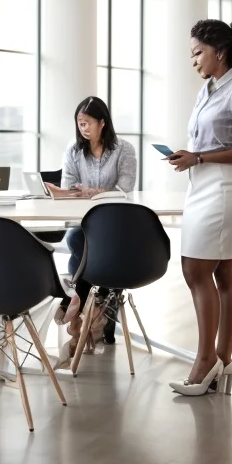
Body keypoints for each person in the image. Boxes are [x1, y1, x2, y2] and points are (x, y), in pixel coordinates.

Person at [167, 19, 232, 397]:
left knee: (195, 269)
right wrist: (191, 157)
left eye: (198, 53)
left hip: (224, 187)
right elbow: (204, 143)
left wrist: (200, 158)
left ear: (219, 52)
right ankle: (223, 361)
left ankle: (206, 360)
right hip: (203, 184)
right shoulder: (207, 89)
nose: (193, 60)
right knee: (223, 274)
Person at [50, 96, 138, 348]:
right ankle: (97, 304)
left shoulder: (124, 149)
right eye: (80, 123)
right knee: (78, 237)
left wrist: (95, 192)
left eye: (88, 123)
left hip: (116, 221)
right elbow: (69, 186)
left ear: (102, 123)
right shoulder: (74, 150)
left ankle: (78, 302)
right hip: (84, 220)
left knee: (79, 240)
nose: (83, 129)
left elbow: (125, 188)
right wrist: (69, 192)